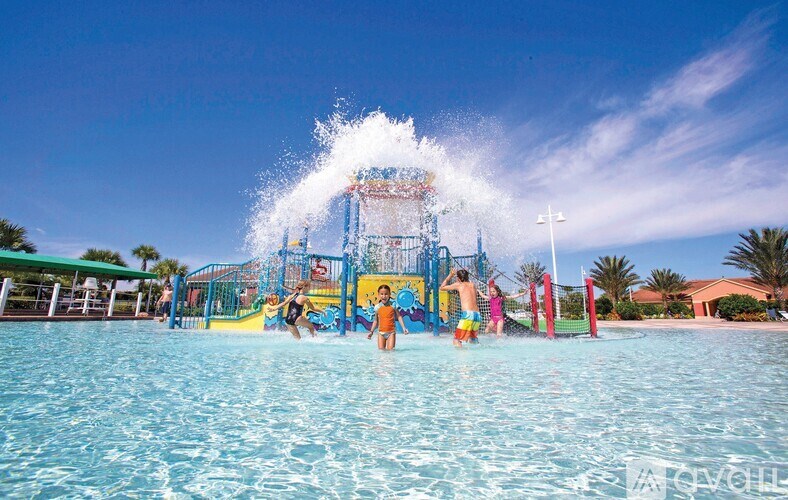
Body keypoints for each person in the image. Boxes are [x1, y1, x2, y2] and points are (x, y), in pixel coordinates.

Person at [440, 268, 481, 347]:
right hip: (477, 315)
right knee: (473, 339)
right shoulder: (472, 285)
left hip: (468, 315)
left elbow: (442, 287)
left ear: (458, 278)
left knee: (456, 340)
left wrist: (450, 275)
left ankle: (461, 355)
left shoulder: (458, 285)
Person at [367, 284, 409, 350]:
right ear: (378, 295)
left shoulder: (393, 305)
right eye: (381, 294)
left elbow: (399, 316)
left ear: (389, 294)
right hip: (381, 333)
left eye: (386, 294)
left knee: (391, 351)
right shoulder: (377, 307)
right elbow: (375, 321)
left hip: (391, 333)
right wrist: (371, 332)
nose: (384, 296)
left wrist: (404, 328)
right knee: (381, 351)